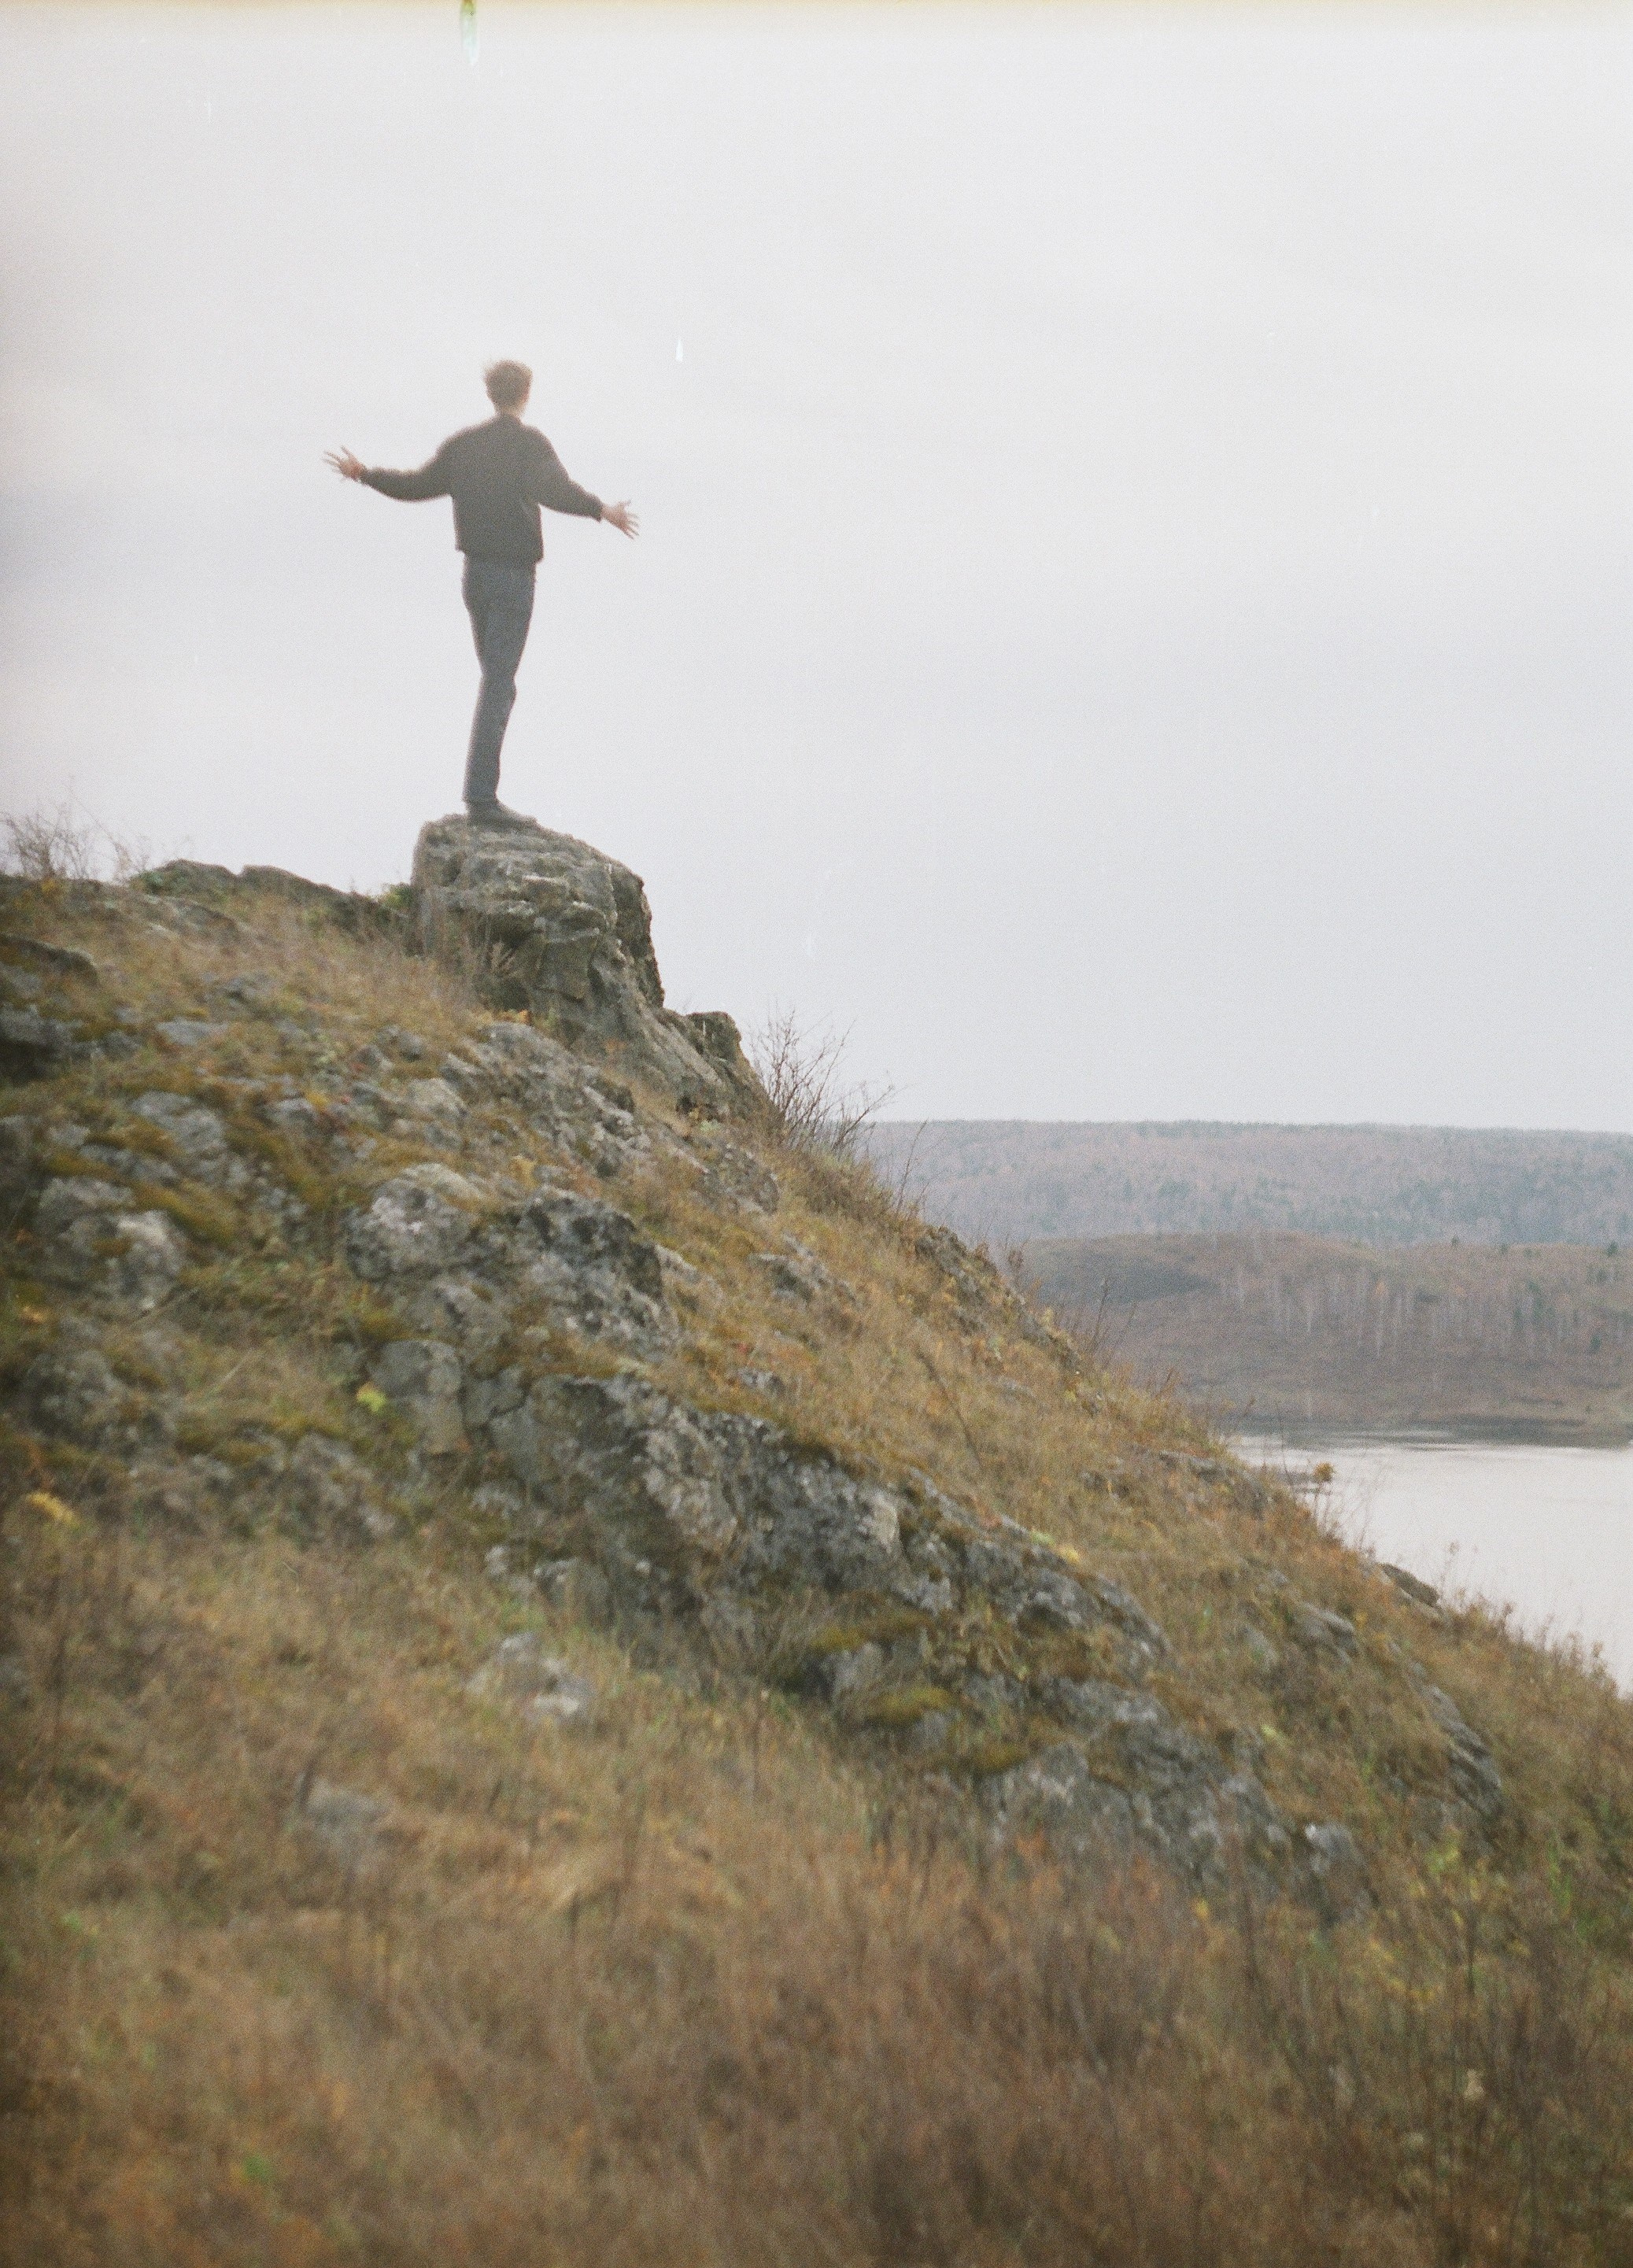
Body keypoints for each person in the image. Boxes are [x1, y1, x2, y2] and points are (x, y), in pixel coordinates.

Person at [326, 360, 637, 829]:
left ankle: (481, 794)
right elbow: (557, 491)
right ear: (526, 394)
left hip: (475, 577)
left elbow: (415, 486)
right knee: (498, 684)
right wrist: (602, 511)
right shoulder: (532, 445)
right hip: (514, 578)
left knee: (495, 683)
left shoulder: (464, 445)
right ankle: (482, 799)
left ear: (489, 394)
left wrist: (364, 473)